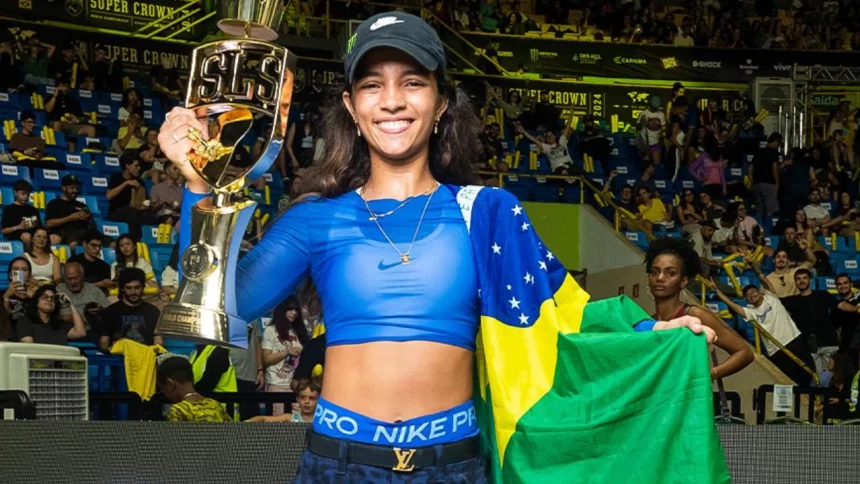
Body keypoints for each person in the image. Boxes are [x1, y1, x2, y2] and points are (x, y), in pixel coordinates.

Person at [158, 12, 715, 481]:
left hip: (454, 465)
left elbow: (563, 319)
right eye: (373, 84)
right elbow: (220, 308)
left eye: (413, 81)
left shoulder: (489, 212)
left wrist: (650, 335)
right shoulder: (315, 220)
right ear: (352, 106)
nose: (393, 101)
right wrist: (198, 183)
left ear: (442, 101)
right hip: (338, 463)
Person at [646, 237, 753, 379]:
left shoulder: (695, 315)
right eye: (654, 272)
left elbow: (744, 352)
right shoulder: (649, 321)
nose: (660, 278)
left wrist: (709, 375)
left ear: (683, 281)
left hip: (688, 398)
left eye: (670, 273)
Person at [708, 258, 816, 385]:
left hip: (794, 341)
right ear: (747, 300)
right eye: (748, 295)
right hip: (776, 351)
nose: (752, 295)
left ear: (760, 293)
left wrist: (754, 266)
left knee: (809, 374)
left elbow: (764, 280)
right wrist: (717, 291)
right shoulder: (751, 313)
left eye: (754, 291)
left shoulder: (771, 297)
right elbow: (732, 304)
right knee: (788, 383)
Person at [781, 269, 840, 377]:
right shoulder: (792, 301)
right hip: (810, 348)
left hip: (829, 343)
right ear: (795, 282)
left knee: (833, 378)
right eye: (798, 279)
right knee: (817, 380)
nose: (801, 281)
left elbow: (840, 308)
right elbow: (773, 299)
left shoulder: (823, 295)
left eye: (804, 278)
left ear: (810, 280)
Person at [262, 296, 308, 416]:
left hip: (297, 386)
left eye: (296, 310)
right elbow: (266, 359)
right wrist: (287, 352)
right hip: (277, 384)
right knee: (279, 425)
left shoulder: (300, 331)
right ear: (282, 310)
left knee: (298, 423)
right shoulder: (271, 331)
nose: (294, 313)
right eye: (290, 309)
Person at [99, 268, 162, 351]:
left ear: (143, 287)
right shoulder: (110, 311)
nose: (133, 292)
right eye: (129, 288)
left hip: (145, 358)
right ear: (122, 288)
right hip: (119, 359)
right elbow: (104, 342)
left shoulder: (153, 311)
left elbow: (158, 342)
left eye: (137, 288)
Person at [157, 356, 233, 422]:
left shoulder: (178, 411)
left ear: (170, 384)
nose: (165, 394)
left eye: (163, 389)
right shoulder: (216, 405)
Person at [14, 285, 86, 345]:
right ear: (36, 300)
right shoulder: (25, 321)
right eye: (45, 297)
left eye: (52, 298)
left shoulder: (59, 324)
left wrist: (70, 304)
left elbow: (81, 332)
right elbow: (28, 347)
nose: (49, 300)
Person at [57, 262, 109, 343]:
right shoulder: (58, 290)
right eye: (69, 279)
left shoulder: (94, 291)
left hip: (90, 331)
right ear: (64, 278)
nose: (72, 282)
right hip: (66, 332)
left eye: (76, 278)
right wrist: (63, 318)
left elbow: (108, 313)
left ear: (82, 276)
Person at [45, 175, 95, 249]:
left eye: (77, 188)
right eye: (72, 188)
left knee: (110, 243)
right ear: (63, 188)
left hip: (83, 232)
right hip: (64, 233)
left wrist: (87, 217)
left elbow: (91, 224)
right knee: (73, 243)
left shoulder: (82, 205)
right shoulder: (54, 203)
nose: (75, 191)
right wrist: (69, 218)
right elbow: (49, 224)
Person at [1, 180, 53, 245]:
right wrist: (18, 227)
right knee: (26, 235)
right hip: (16, 236)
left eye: (28, 194)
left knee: (52, 237)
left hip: (34, 235)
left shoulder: (32, 209)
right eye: (23, 194)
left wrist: (35, 225)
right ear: (15, 193)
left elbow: (40, 227)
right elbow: (3, 231)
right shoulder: (8, 209)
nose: (25, 197)